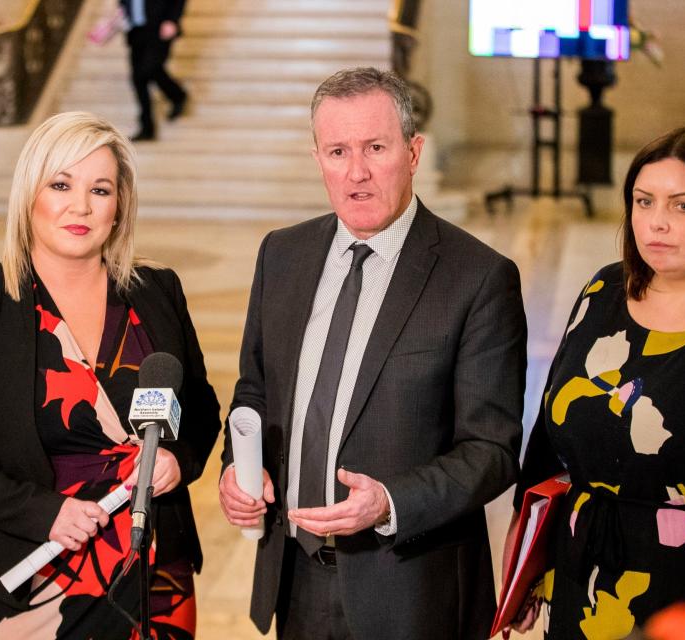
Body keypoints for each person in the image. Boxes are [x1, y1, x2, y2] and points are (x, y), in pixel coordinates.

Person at [218, 66, 528, 640]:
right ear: (317, 158)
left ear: (413, 151)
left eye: (375, 148)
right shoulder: (282, 255)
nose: (355, 172)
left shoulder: (478, 278)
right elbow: (254, 391)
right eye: (337, 151)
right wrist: (238, 469)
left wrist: (389, 503)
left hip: (411, 591)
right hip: (297, 576)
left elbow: (492, 450)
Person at [0, 111, 220, 639]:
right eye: (61, 184)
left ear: (119, 206)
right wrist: (41, 512)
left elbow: (202, 410)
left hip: (155, 573)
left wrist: (179, 458)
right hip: (31, 574)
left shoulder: (157, 292)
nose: (81, 206)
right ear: (30, 194)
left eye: (100, 189)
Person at [511, 127, 685, 638]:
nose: (656, 223)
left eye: (683, 207)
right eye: (643, 201)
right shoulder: (605, 288)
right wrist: (527, 558)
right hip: (580, 571)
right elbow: (548, 435)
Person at [119, 0, 189, 141]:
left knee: (151, 68)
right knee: (138, 79)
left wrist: (172, 20)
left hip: (159, 28)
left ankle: (178, 95)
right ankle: (147, 128)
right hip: (135, 31)